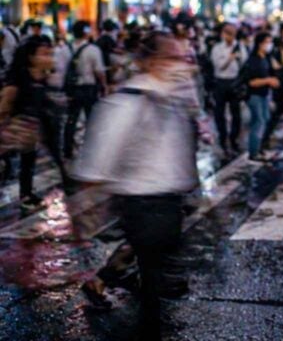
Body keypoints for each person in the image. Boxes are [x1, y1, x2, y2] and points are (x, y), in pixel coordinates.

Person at [72, 32, 201, 339]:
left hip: (170, 202)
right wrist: (86, 209)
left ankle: (111, 281)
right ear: (152, 61)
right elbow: (98, 161)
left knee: (154, 270)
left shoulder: (176, 97)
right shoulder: (128, 100)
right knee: (153, 283)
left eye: (183, 57)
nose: (182, 65)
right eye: (173, 57)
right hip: (142, 204)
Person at [0, 36, 71, 209]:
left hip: (33, 129)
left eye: (51, 54)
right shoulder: (19, 78)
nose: (50, 58)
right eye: (44, 54)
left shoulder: (42, 77)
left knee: (29, 162)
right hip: (15, 130)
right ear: (31, 57)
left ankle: (27, 194)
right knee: (8, 166)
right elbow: (5, 104)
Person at [63, 21, 107, 159]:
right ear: (86, 32)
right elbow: (99, 71)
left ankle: (67, 148)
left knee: (71, 118)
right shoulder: (93, 49)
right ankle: (92, 148)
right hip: (88, 88)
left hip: (72, 88)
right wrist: (104, 85)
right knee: (92, 118)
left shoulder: (65, 48)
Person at [210, 22, 247, 156]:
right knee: (219, 113)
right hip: (220, 82)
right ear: (223, 34)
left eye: (233, 34)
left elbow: (244, 63)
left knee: (236, 114)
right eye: (228, 34)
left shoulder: (240, 47)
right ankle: (222, 138)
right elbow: (218, 66)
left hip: (234, 82)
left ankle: (234, 139)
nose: (230, 37)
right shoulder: (217, 48)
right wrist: (230, 58)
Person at [242, 32, 280, 161]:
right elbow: (250, 82)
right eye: (267, 42)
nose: (269, 45)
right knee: (258, 121)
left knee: (265, 119)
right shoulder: (253, 60)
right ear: (259, 44)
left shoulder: (266, 58)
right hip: (254, 95)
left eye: (270, 42)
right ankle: (253, 152)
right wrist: (268, 80)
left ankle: (259, 148)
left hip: (264, 94)